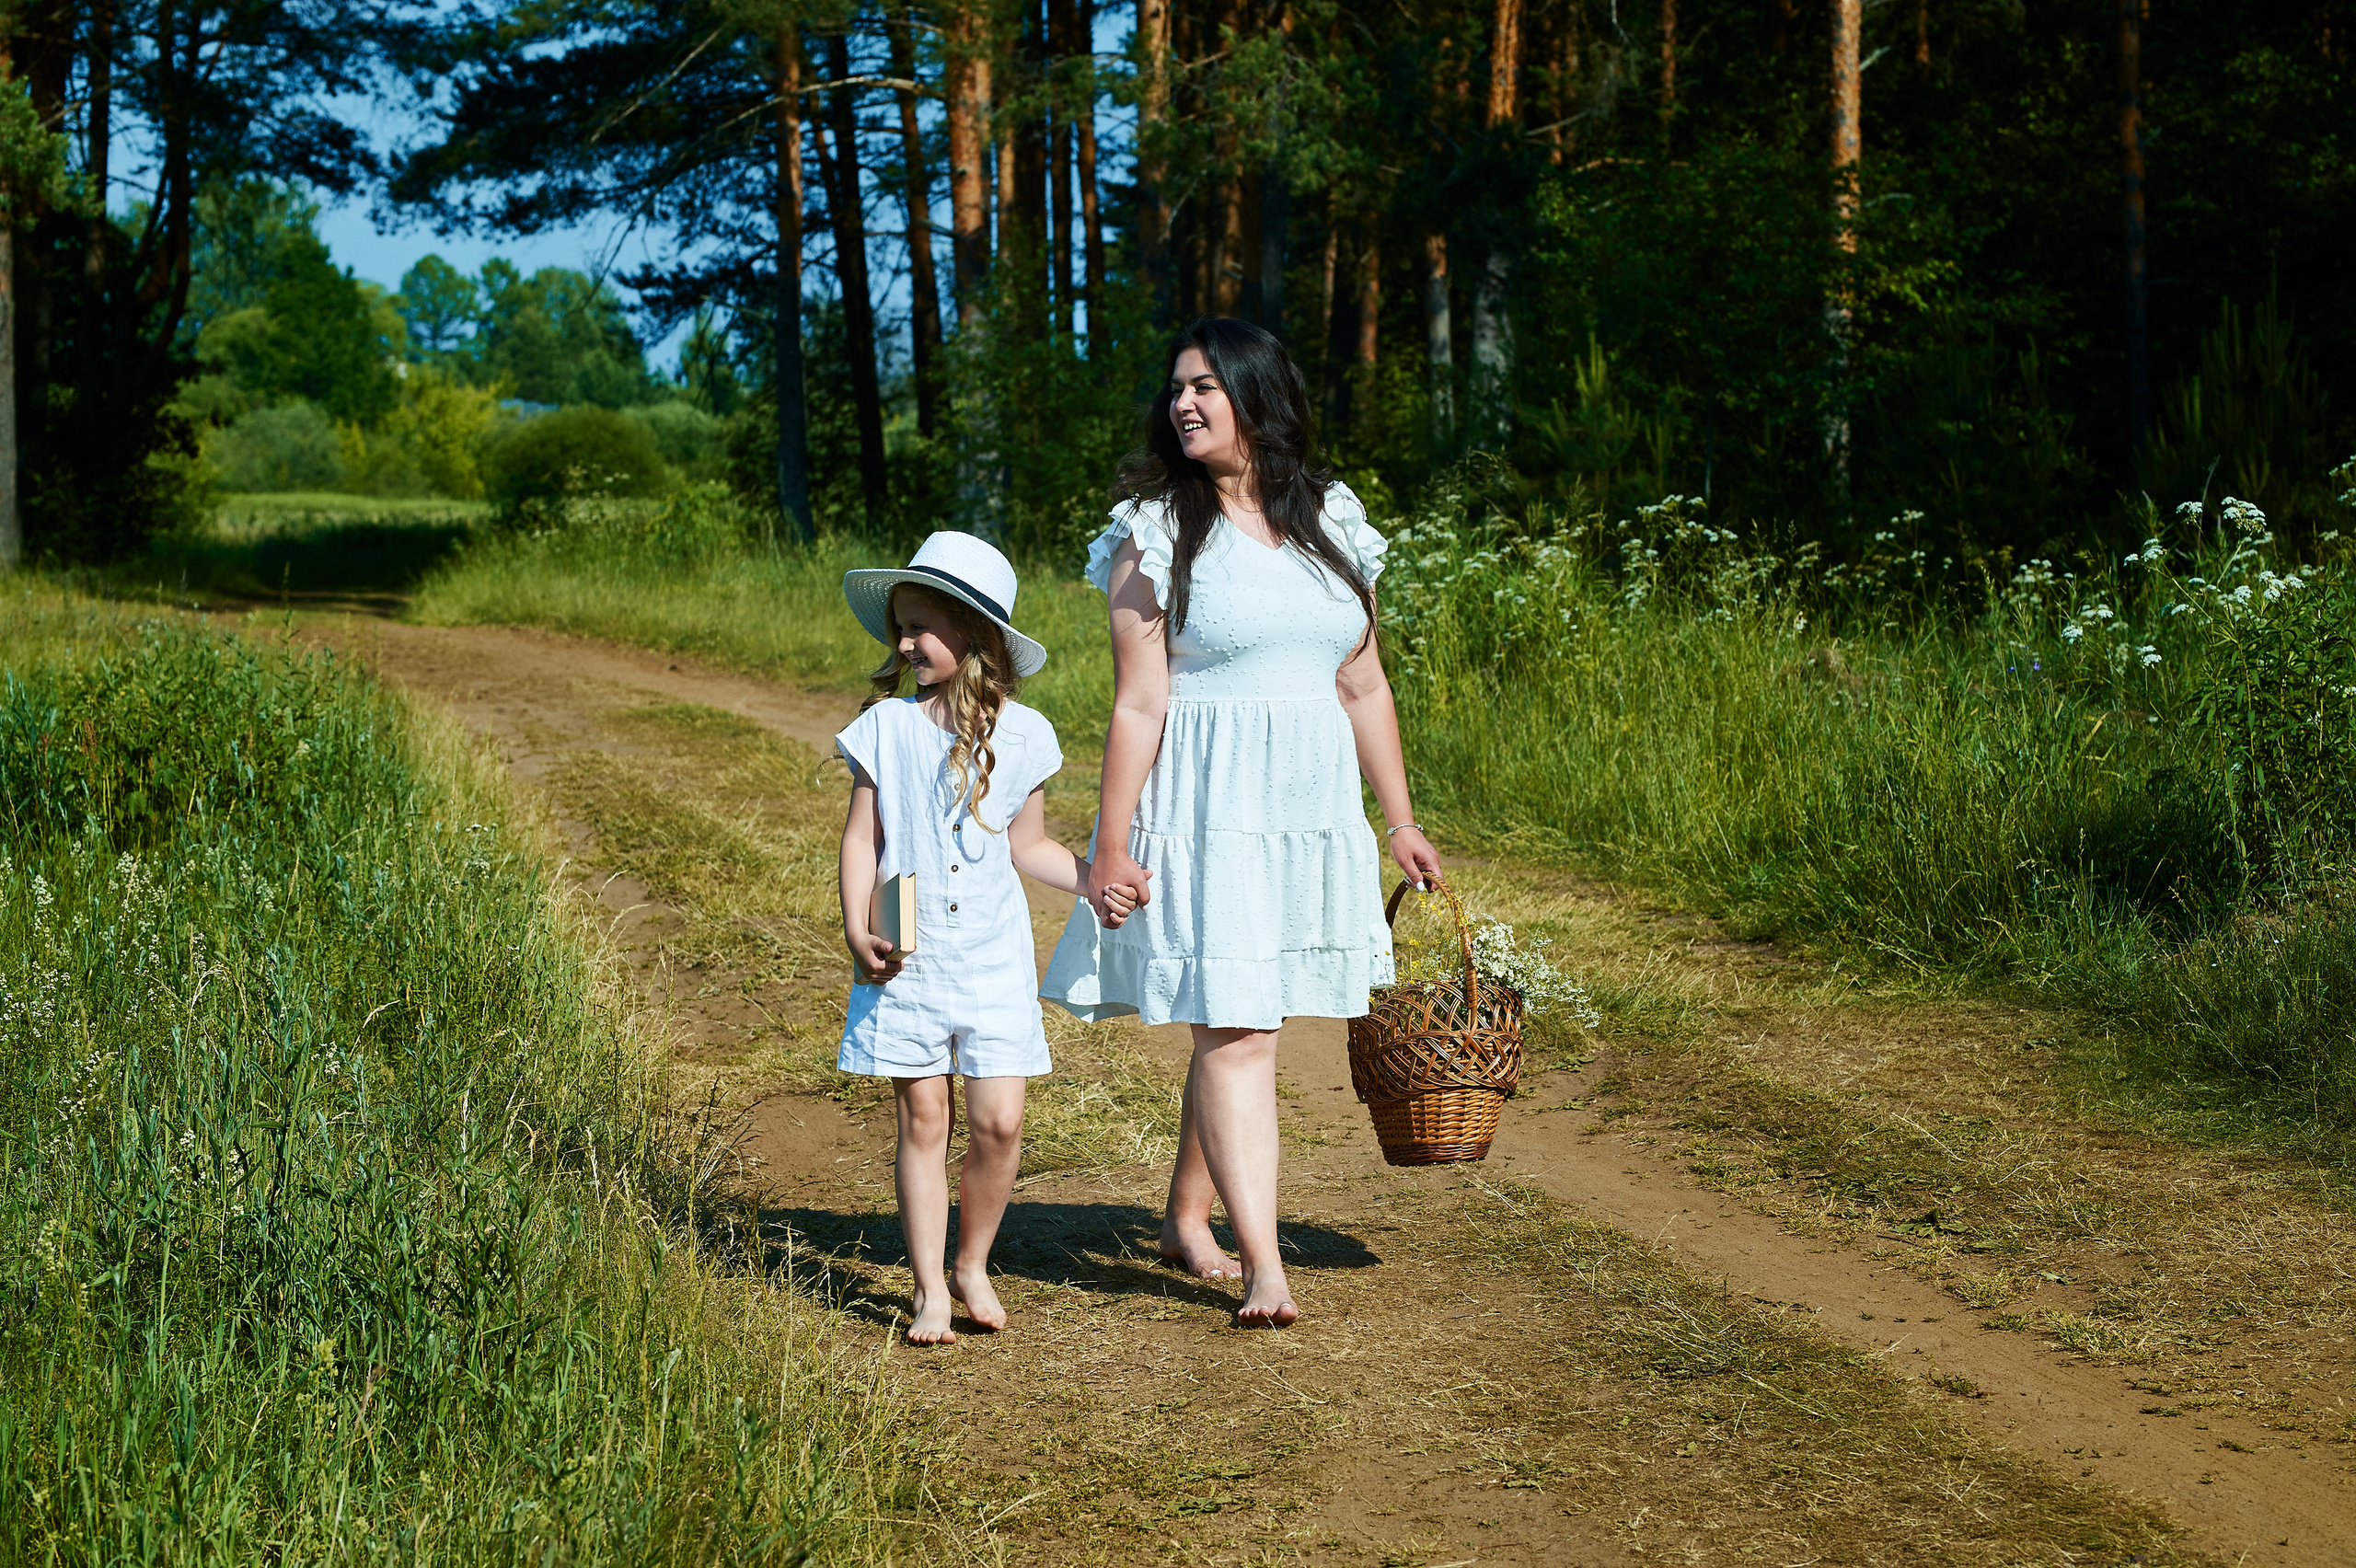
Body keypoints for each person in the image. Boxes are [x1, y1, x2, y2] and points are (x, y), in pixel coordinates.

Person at [1041, 318, 1443, 1328]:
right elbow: (1137, 704)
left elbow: (1361, 681)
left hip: (1305, 804)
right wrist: (1113, 843)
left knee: (1239, 1010)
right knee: (1241, 1030)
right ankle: (1266, 1264)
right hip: (1208, 806)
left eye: (1206, 387)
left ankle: (1187, 1212)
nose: (1183, 403)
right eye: (1176, 388)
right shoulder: (1153, 531)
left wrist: (1398, 821)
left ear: (1258, 398)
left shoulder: (1335, 521)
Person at [837, 532, 1138, 1346]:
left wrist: (1093, 878)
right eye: (899, 626)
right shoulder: (885, 729)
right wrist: (857, 922)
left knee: (1000, 1121)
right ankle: (931, 1286)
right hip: (904, 925)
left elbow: (1027, 845)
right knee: (924, 1117)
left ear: (975, 633)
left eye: (920, 627)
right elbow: (866, 839)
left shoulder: (1029, 734)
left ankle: (974, 1260)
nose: (903, 643)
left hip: (994, 954)